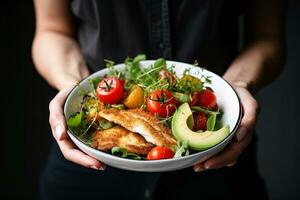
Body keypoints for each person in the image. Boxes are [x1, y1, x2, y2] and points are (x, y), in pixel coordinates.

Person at [32, 0, 286, 199]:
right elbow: (52, 30)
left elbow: (267, 36)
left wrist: (237, 86)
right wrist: (73, 86)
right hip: (86, 164)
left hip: (217, 153)